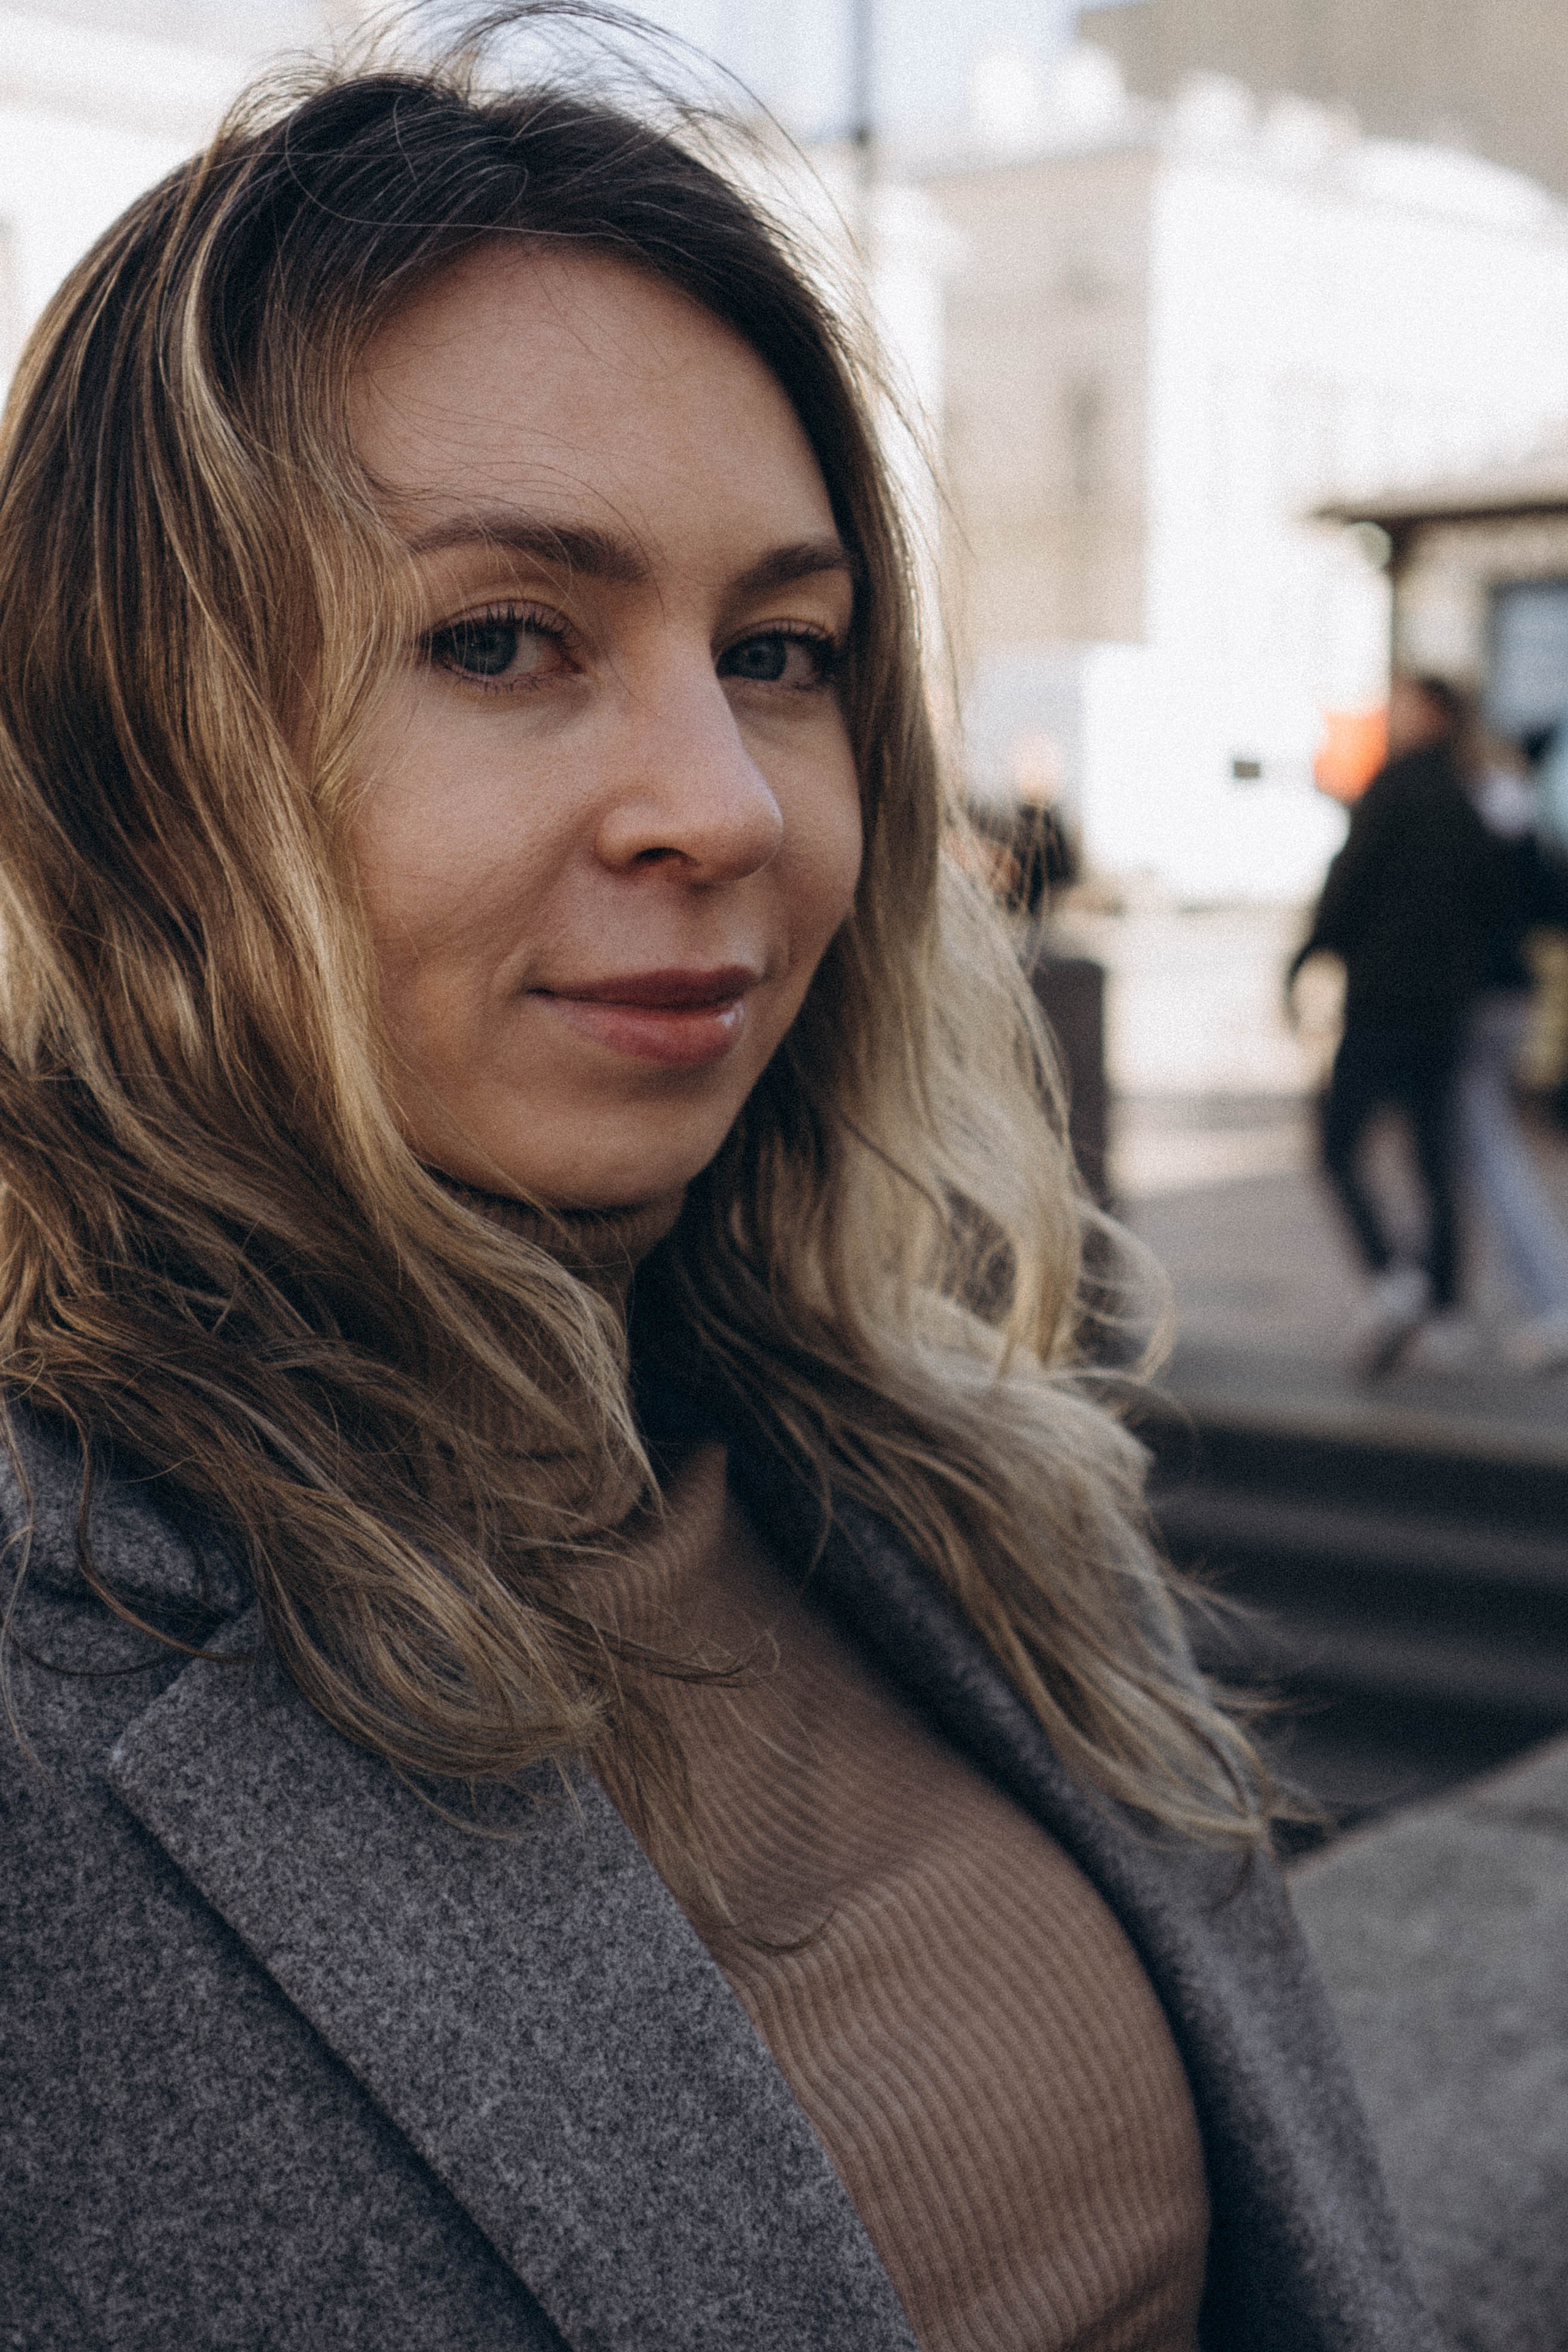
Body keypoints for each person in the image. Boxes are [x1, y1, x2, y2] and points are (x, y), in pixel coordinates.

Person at [0, 27, 1436, 2351]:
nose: (728, 800)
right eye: (499, 638)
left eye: (779, 653)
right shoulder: (60, 1659)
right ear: (134, 757)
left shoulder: (950, 1494)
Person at [1290, 674, 1510, 1378]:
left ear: (1433, 713)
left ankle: (1396, 1280)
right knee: (1431, 1157)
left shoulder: (1395, 789)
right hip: (1444, 1007)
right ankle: (1442, 1306)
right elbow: (1493, 907)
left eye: (1407, 704)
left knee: (1335, 1144)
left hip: (1382, 1001)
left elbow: (1347, 884)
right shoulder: (1471, 797)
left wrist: (1306, 957)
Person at [1457, 750, 1568, 1371]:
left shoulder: (1486, 819)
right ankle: (1441, 1306)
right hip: (1503, 993)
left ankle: (1548, 1304)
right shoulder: (1519, 819)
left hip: (1475, 999)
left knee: (1484, 1150)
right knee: (1462, 1151)